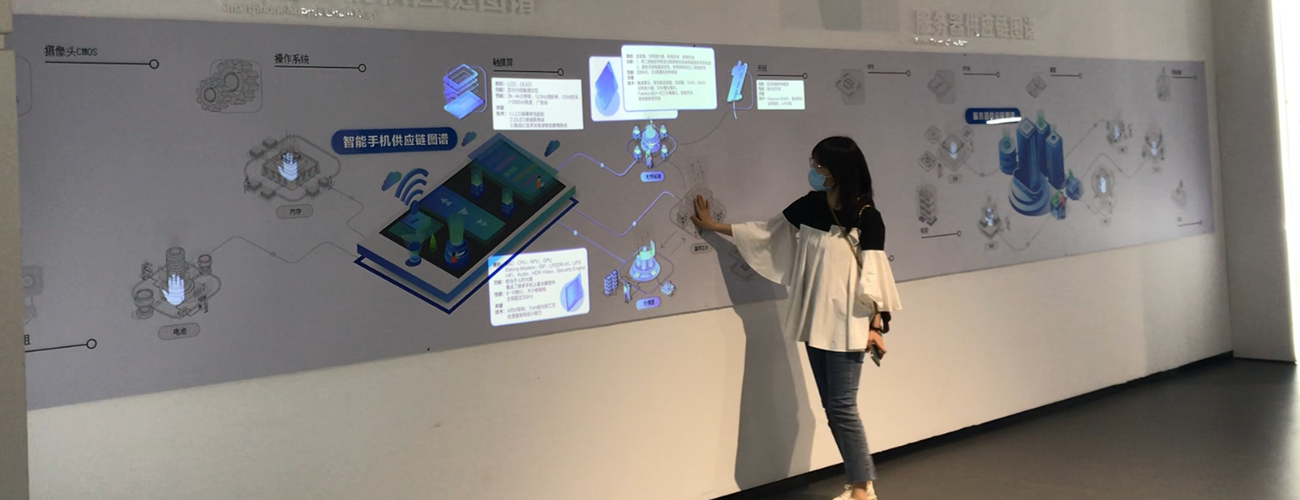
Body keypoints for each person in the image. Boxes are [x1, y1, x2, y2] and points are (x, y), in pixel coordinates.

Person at [691, 136, 901, 500]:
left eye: (820, 165)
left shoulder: (868, 216)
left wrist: (874, 326)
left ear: (837, 171)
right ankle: (860, 485)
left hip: (849, 323)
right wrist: (714, 227)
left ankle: (862, 490)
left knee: (842, 408)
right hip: (816, 321)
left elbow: (875, 276)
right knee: (833, 409)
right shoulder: (812, 205)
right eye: (814, 163)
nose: (814, 170)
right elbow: (767, 233)